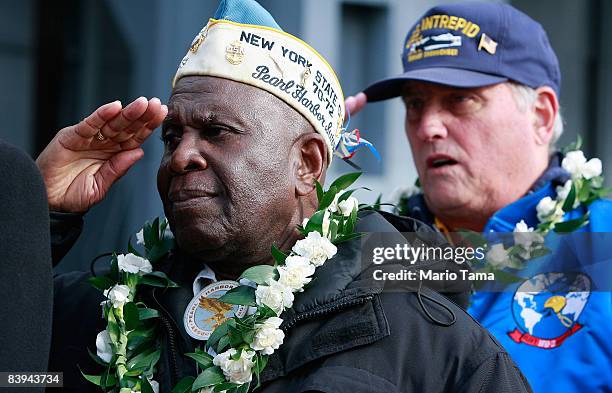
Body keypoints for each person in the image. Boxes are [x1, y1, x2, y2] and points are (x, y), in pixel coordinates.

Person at [39, 0, 531, 392]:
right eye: (172, 137)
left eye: (217, 132)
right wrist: (39, 217)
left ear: (308, 164)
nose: (182, 156)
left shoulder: (429, 345)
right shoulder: (99, 312)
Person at [345, 3, 612, 393]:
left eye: (460, 99)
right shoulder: (363, 251)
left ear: (541, 115)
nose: (428, 127)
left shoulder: (603, 246)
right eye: (415, 104)